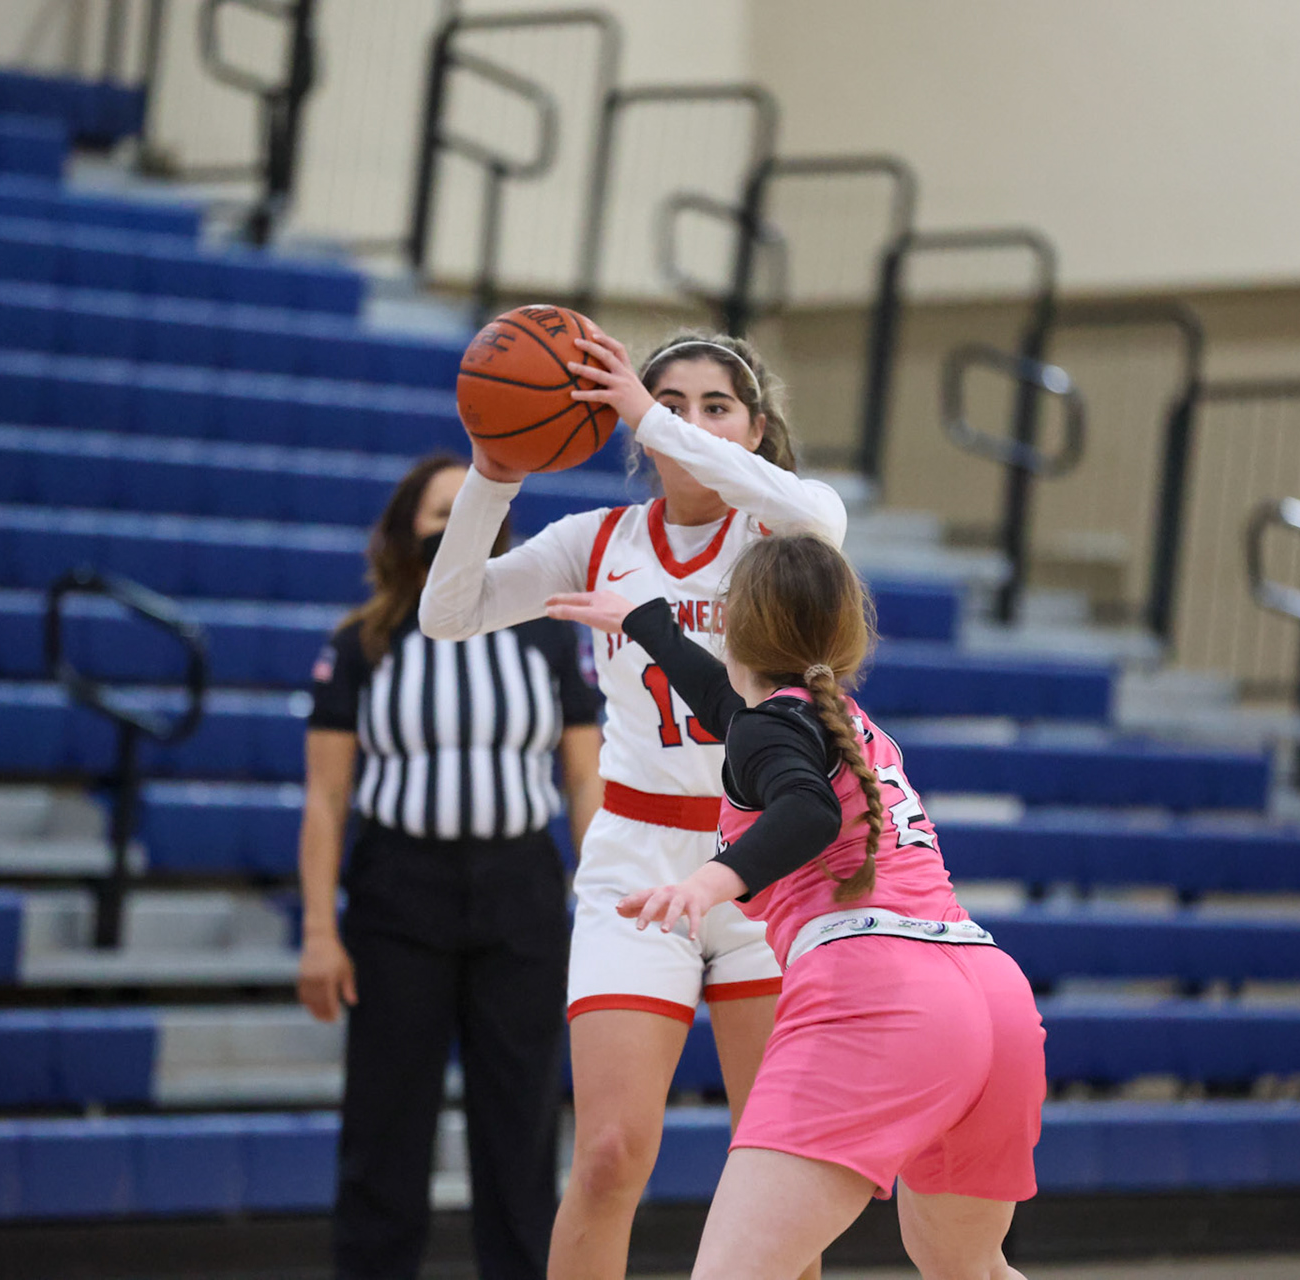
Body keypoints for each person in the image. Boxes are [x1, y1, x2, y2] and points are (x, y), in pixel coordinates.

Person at [420, 326, 848, 1279]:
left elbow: (820, 517)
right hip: (635, 861)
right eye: (667, 406)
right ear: (629, 432)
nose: (690, 422)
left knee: (775, 1172)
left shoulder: (781, 534)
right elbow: (446, 615)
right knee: (612, 1156)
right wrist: (494, 473)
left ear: (756, 428)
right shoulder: (597, 540)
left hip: (764, 869)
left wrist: (650, 410)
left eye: (716, 407)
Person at [544, 532, 1044, 1280]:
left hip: (884, 995)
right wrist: (644, 622)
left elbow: (804, 811)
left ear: (736, 627)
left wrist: (709, 882)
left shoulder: (773, 730)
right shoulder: (843, 723)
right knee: (969, 1268)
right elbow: (723, 700)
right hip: (991, 995)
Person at [297, 452, 604, 1280]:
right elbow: (326, 800)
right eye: (436, 514)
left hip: (521, 897)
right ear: (404, 531)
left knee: (523, 1127)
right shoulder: (361, 641)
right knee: (385, 1128)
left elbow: (584, 776)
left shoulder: (544, 635)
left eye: (466, 513)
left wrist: (603, 901)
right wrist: (320, 934)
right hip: (399, 898)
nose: (449, 528)